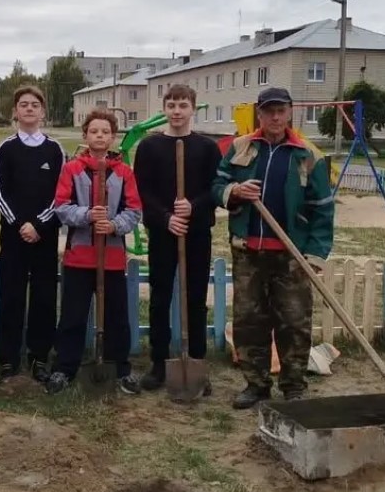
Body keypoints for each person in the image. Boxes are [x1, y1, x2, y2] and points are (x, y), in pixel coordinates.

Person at [211, 87, 334, 409]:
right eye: (269, 112)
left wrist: (315, 254)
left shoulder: (308, 155)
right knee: (250, 321)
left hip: (292, 254)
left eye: (281, 111)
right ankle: (256, 384)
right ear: (260, 114)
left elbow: (323, 209)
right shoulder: (241, 147)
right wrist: (235, 191)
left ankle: (293, 386)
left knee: (294, 322)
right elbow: (216, 185)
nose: (275, 118)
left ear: (290, 112)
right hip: (248, 250)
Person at [133, 84, 223, 393]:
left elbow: (216, 189)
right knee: (160, 298)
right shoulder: (150, 147)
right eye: (171, 105)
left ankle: (196, 361)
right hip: (163, 233)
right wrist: (166, 217)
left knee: (195, 298)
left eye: (183, 105)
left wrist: (193, 207)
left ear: (193, 109)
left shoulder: (207, 148)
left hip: (196, 233)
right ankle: (159, 363)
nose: (176, 111)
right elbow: (142, 191)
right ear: (164, 109)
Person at [45, 109, 142, 395]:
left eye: (106, 132)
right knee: (73, 316)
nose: (100, 136)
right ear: (85, 135)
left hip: (111, 259)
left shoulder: (124, 172)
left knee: (116, 318)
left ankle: (119, 368)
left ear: (113, 137)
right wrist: (87, 215)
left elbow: (134, 210)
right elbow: (61, 207)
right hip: (79, 257)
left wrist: (113, 225)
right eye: (94, 131)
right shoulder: (72, 169)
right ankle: (65, 368)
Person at [0, 85, 66, 384]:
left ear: (43, 111)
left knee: (44, 297)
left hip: (45, 236)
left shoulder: (55, 150)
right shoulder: (6, 149)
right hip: (14, 235)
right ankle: (8, 359)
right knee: (11, 296)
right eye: (24, 104)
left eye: (35, 104)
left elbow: (62, 193)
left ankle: (39, 357)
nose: (30, 108)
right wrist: (20, 223)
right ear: (16, 112)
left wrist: (39, 225)